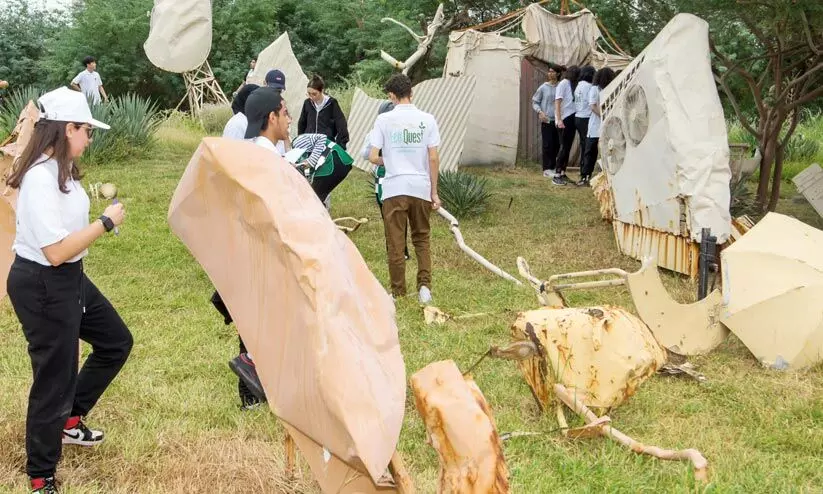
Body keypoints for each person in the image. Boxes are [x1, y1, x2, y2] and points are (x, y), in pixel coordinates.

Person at [5, 86, 131, 494]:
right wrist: (105, 223)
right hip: (43, 283)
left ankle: (69, 420)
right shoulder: (39, 179)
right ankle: (41, 475)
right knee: (53, 379)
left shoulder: (63, 171)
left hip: (69, 278)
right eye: (86, 131)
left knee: (115, 341)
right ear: (67, 129)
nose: (90, 139)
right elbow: (56, 251)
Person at [221, 87, 294, 408]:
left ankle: (260, 385)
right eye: (285, 112)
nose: (289, 119)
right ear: (271, 117)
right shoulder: (264, 158)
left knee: (261, 316)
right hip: (264, 249)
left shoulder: (261, 152)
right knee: (260, 317)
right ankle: (252, 383)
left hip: (256, 248)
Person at [368, 73, 441, 304]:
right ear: (412, 93)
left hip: (394, 189)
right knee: (422, 238)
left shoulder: (383, 120)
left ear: (391, 96)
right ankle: (425, 288)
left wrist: (390, 160)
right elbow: (433, 158)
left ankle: (398, 292)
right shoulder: (428, 120)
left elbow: (372, 156)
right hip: (420, 187)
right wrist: (434, 192)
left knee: (396, 242)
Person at [360, 101, 410, 260]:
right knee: (395, 214)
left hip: (390, 178)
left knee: (391, 214)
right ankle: (398, 250)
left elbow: (365, 153)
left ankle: (398, 250)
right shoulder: (382, 133)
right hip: (387, 177)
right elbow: (365, 153)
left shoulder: (379, 132)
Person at [579, 67, 616, 186]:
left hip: (607, 125)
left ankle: (605, 175)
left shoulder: (610, 89)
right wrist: (604, 115)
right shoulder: (594, 89)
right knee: (590, 151)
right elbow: (592, 106)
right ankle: (585, 176)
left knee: (607, 151)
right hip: (595, 125)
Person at [297, 75, 349, 150]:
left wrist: (339, 147)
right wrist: (300, 142)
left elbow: (342, 126)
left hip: (325, 146)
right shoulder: (307, 103)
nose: (311, 97)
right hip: (309, 146)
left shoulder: (331, 104)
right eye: (309, 93)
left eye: (314, 94)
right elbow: (302, 124)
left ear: (322, 91)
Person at [531, 64, 561, 178]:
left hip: (559, 120)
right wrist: (540, 112)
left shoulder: (561, 86)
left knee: (557, 145)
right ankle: (547, 169)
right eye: (549, 71)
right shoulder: (543, 87)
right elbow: (535, 102)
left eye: (553, 72)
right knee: (547, 145)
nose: (550, 74)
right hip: (547, 120)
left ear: (558, 73)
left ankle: (554, 167)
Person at [553, 65, 581, 186]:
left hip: (572, 117)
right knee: (564, 147)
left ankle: (563, 172)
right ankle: (556, 175)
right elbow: (557, 102)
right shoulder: (563, 83)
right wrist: (559, 119)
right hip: (564, 118)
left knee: (568, 147)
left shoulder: (573, 84)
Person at [573, 66, 595, 171]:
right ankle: (585, 170)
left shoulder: (579, 85)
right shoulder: (589, 86)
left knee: (583, 144)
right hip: (586, 117)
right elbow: (592, 102)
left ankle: (583, 168)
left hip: (578, 117)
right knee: (588, 146)